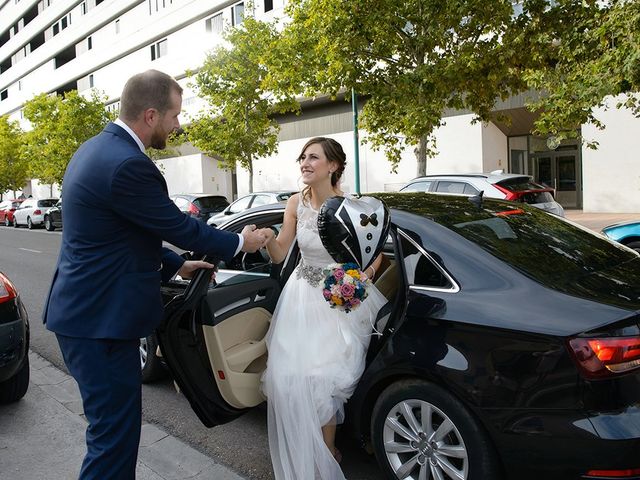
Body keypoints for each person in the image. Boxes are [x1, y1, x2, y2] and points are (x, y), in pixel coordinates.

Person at [43, 69, 266, 480]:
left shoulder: (94, 149)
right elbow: (177, 226)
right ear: (150, 115)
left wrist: (175, 264)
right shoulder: (128, 164)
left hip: (86, 317)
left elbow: (121, 233)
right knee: (113, 442)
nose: (178, 125)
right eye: (175, 115)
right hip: (101, 325)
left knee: (112, 435)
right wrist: (240, 244)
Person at [259, 137, 386, 479]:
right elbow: (282, 253)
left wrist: (362, 279)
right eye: (302, 157)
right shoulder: (294, 204)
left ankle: (327, 451)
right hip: (301, 297)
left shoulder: (351, 207)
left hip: (339, 298)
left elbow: (378, 253)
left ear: (332, 166)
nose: (305, 162)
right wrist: (268, 240)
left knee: (324, 379)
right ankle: (310, 447)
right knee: (289, 377)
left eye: (313, 157)